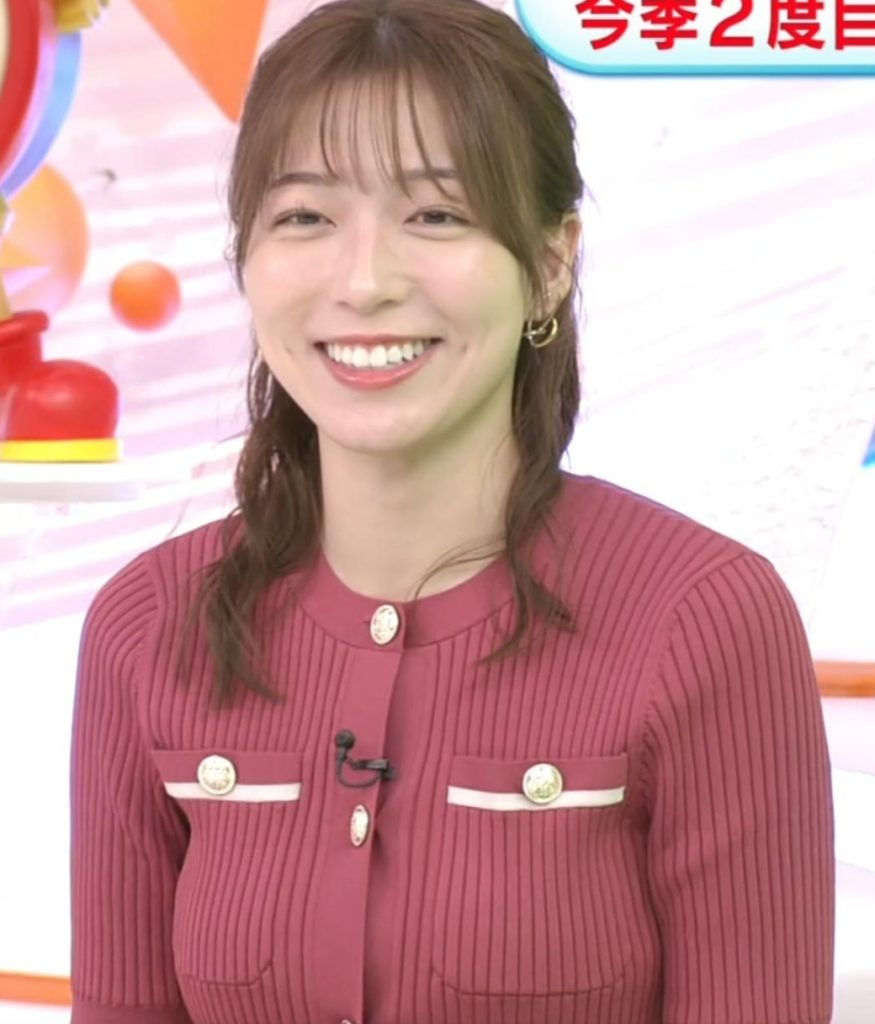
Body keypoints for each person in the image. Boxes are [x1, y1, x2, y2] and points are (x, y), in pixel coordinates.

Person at [69, 0, 835, 1022]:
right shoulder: (144, 627)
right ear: (245, 259)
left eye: (435, 214)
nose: (365, 282)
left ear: (551, 263)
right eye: (304, 216)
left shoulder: (704, 619)